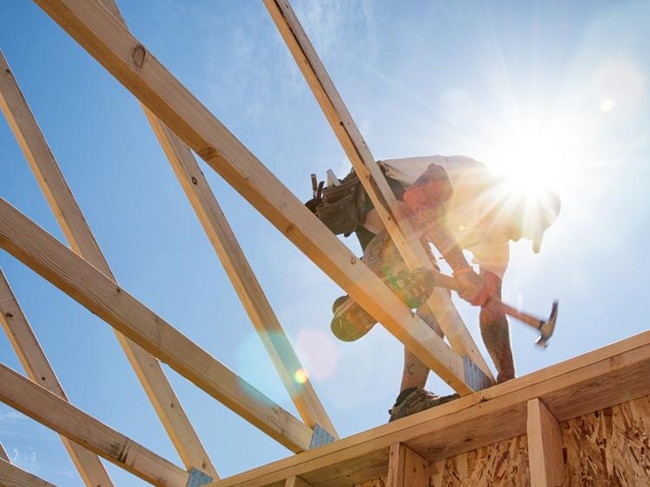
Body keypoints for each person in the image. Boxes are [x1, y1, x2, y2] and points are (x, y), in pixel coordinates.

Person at [308, 155, 561, 422]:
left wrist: (507, 376)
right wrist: (462, 270)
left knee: (435, 296)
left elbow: (492, 309)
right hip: (376, 191)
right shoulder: (475, 177)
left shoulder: (497, 246)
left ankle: (407, 398)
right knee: (414, 227)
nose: (517, 236)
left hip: (392, 232)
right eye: (522, 227)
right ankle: (365, 289)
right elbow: (419, 200)